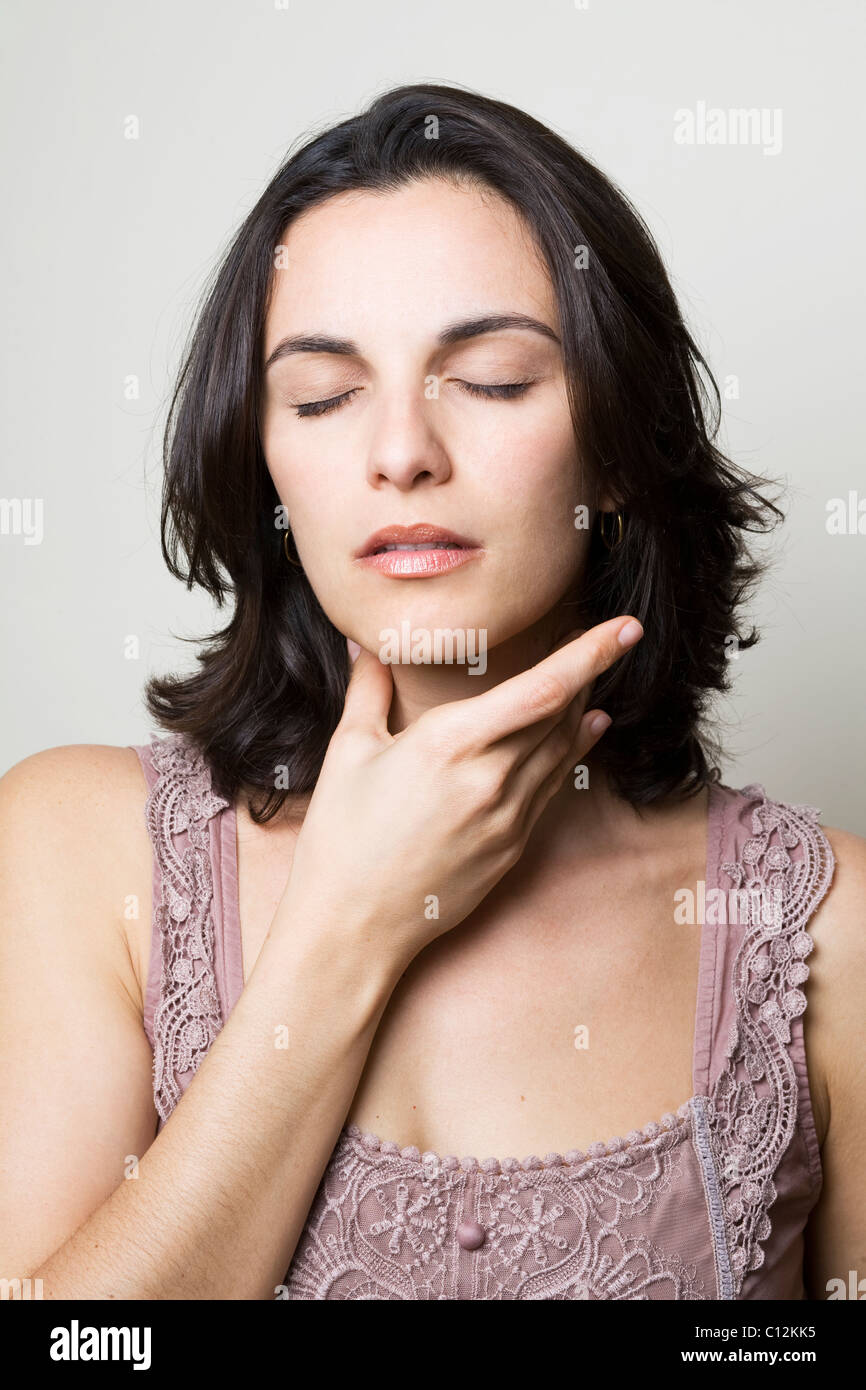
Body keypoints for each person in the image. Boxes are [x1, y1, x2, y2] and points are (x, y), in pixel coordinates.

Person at [1, 83, 863, 1302]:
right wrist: (349, 922)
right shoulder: (77, 852)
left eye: (495, 379)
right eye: (320, 395)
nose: (399, 450)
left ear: (615, 447)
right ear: (265, 468)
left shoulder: (822, 927)